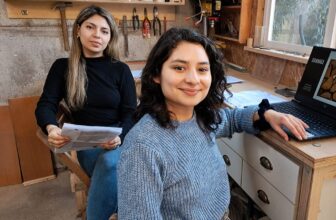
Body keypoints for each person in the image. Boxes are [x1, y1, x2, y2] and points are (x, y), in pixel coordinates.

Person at [117, 27, 308, 219]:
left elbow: (232, 119)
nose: (193, 79)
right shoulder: (142, 148)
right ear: (156, 75)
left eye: (202, 69)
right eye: (179, 68)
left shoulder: (199, 118)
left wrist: (266, 114)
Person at [35, 5, 137, 220]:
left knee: (112, 163)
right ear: (78, 30)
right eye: (91, 27)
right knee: (112, 166)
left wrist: (119, 137)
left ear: (110, 37)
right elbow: (46, 104)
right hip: (87, 145)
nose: (97, 35)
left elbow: (131, 114)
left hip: (122, 140)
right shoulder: (62, 67)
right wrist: (51, 127)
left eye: (104, 31)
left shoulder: (120, 70)